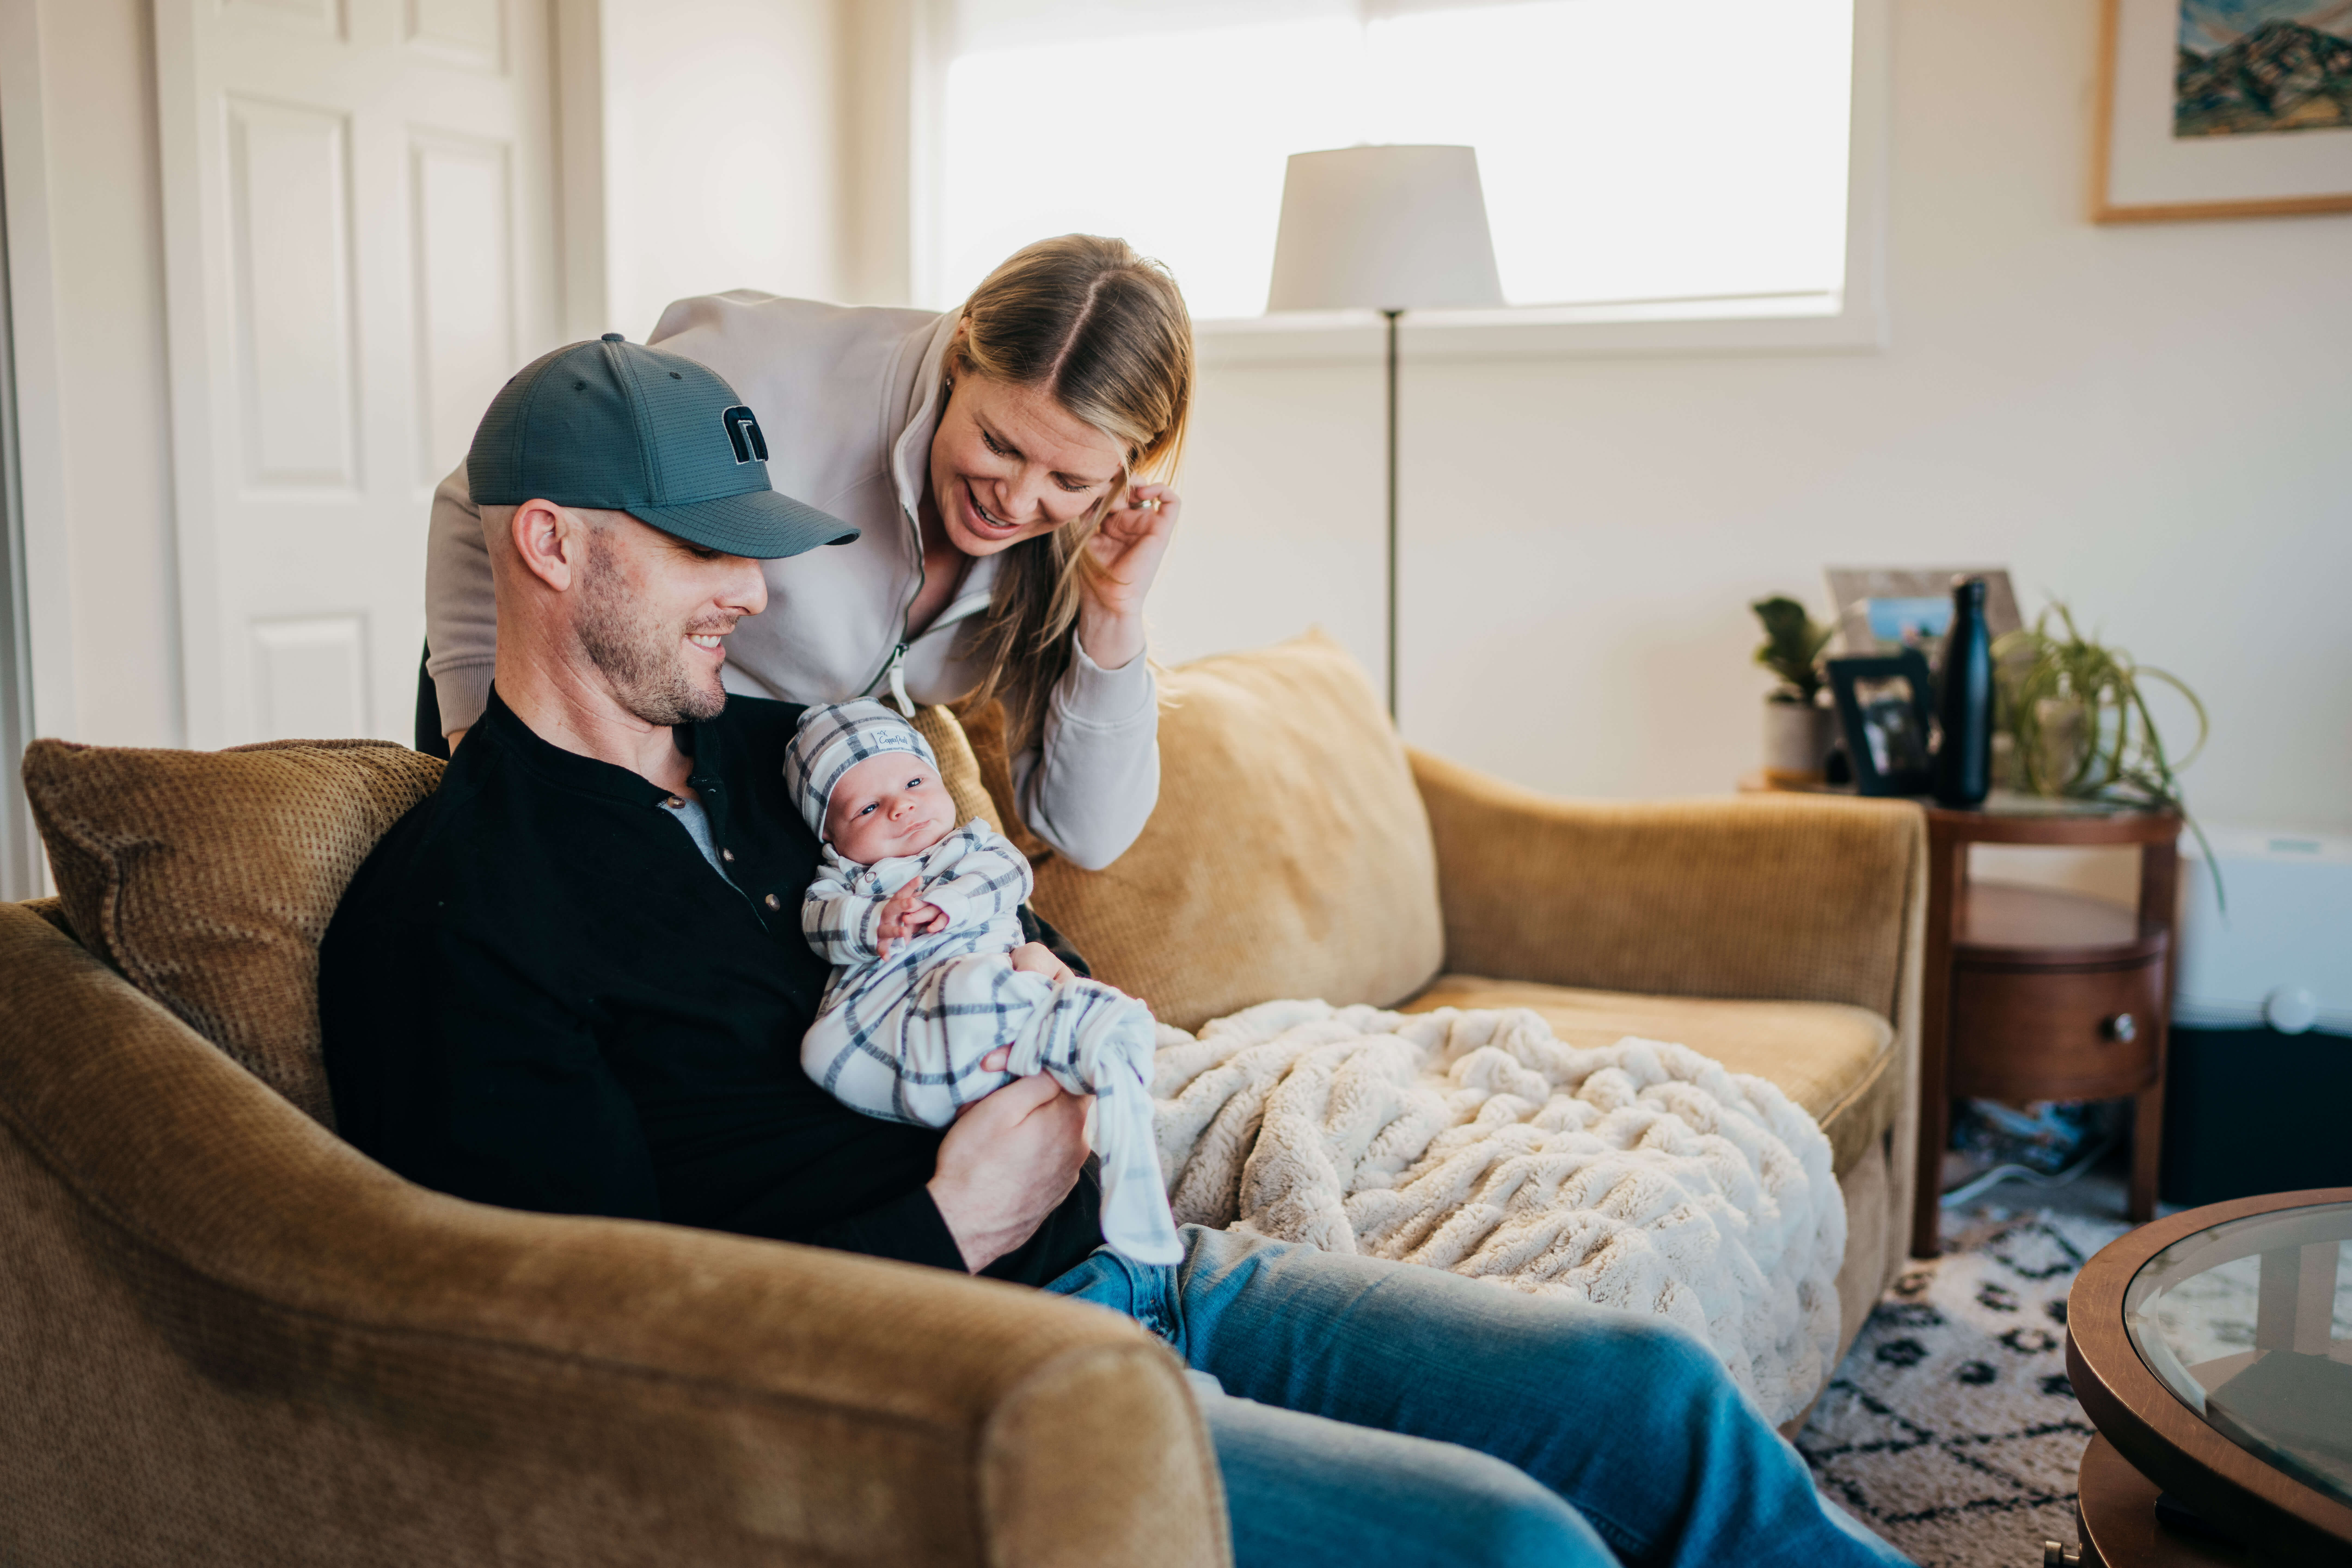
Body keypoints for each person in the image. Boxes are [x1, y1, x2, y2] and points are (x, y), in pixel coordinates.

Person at [324, 335, 1912, 1568]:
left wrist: (1056, 987)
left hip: (1155, 1269)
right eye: (700, 553)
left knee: (1648, 1398)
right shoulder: (457, 918)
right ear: (547, 543)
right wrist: (945, 1222)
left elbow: (988, 918)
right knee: (1510, 1547)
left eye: (758, 547)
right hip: (965, 1390)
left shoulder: (793, 755)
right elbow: (577, 1352)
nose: (752, 594)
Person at [419, 234, 1190, 870]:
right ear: (960, 359)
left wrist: (1114, 616)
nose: (1017, 504)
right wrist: (495, 750)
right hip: (588, 718)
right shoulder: (762, 367)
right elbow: (488, 496)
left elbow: (1088, 834)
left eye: (1068, 477)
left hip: (780, 789)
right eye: (998, 443)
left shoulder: (1077, 541)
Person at [785, 699, 1179, 1265]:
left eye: (916, 781)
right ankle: (969, 1088)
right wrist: (874, 921)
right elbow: (820, 924)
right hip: (900, 1003)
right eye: (870, 807)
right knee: (822, 1052)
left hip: (983, 974)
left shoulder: (970, 846)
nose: (903, 807)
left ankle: (1081, 1051)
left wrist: (946, 904)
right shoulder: (842, 880)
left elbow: (1008, 877)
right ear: (832, 837)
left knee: (988, 984)